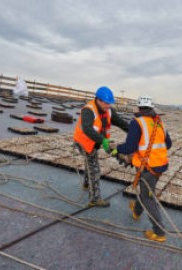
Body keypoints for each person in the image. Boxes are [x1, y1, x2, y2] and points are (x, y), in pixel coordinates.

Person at [112, 95, 172, 242]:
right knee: (146, 189)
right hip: (160, 164)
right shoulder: (159, 122)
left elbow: (130, 147)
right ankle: (137, 211)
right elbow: (168, 144)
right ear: (152, 108)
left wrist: (117, 148)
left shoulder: (137, 122)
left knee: (147, 197)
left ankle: (159, 232)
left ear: (139, 108)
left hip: (149, 166)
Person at [74, 86, 129, 207]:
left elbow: (120, 122)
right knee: (95, 169)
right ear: (98, 100)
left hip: (98, 140)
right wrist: (102, 140)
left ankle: (86, 184)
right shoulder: (89, 110)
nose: (108, 106)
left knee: (91, 163)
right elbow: (87, 129)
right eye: (106, 103)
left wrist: (133, 132)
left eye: (110, 103)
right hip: (84, 143)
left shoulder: (108, 110)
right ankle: (95, 199)